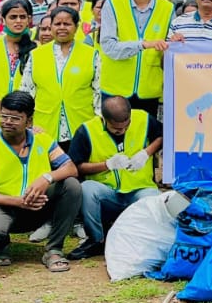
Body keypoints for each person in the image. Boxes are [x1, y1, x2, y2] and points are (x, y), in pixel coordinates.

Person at [0, 90, 81, 271]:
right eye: (3, 116)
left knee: (71, 185)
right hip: (2, 208)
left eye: (14, 118)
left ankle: (54, 249)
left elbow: (71, 168)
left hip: (38, 207)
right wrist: (18, 201)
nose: (7, 122)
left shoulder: (43, 140)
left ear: (29, 121)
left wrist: (46, 178)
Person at [68, 95, 162, 257]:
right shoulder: (87, 131)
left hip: (139, 189)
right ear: (104, 119)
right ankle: (96, 240)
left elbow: (162, 135)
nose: (123, 131)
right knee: (86, 189)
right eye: (117, 129)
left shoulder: (143, 118)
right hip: (107, 193)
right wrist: (106, 165)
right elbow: (75, 167)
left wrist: (146, 153)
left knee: (155, 199)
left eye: (127, 126)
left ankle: (141, 243)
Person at [100, 0, 175, 116]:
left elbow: (170, 49)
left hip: (150, 91)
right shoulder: (113, 4)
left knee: (147, 139)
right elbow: (108, 46)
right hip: (115, 90)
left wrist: (175, 43)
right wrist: (143, 44)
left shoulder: (167, 9)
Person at [23, 7, 99, 147]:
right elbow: (26, 91)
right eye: (57, 24)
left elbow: (98, 92)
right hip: (44, 128)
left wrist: (98, 123)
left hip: (82, 125)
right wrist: (27, 124)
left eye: (67, 24)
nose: (62, 28)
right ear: (51, 26)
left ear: (76, 27)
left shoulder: (91, 54)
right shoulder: (36, 55)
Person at [0, 0, 38, 120]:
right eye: (13, 17)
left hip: (24, 119)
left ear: (29, 19)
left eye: (22, 17)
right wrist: (4, 115)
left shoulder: (37, 49)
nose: (18, 21)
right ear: (3, 20)